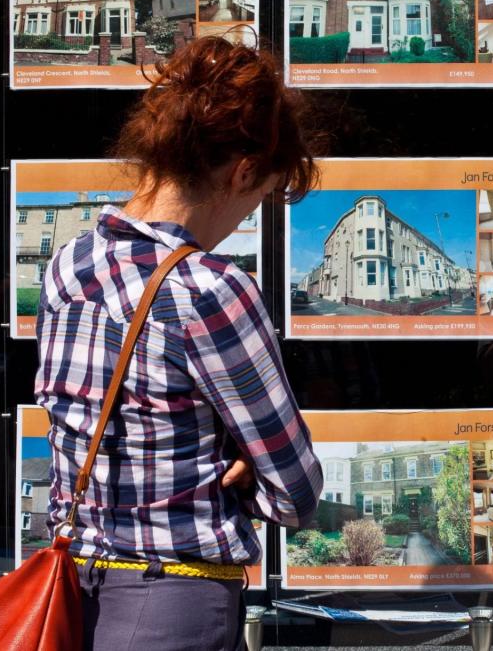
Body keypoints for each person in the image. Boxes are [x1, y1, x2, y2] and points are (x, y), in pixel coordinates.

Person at [34, 34, 324, 650]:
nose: (248, 216)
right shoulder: (209, 289)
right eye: (260, 196)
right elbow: (296, 489)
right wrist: (241, 471)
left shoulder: (67, 266)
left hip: (71, 589)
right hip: (174, 598)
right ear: (243, 170)